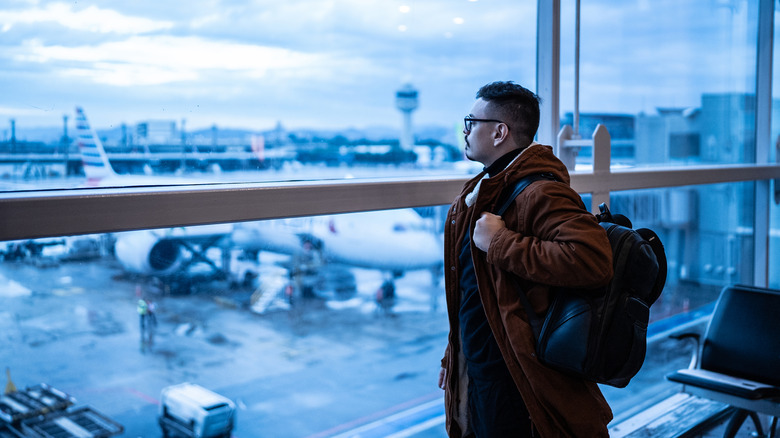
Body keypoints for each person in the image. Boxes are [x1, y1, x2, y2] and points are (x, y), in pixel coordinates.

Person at [438, 81, 614, 437]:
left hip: (515, 378)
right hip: (484, 366)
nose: (466, 130)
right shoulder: (487, 188)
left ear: (500, 132)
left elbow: (593, 259)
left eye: (472, 121)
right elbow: (478, 288)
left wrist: (501, 242)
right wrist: (454, 354)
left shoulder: (540, 191)